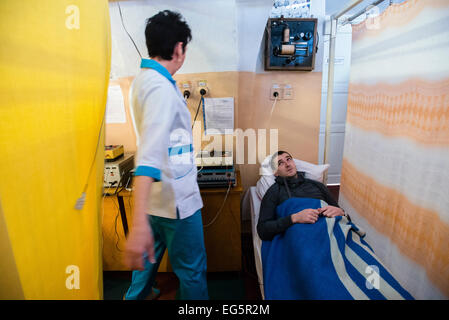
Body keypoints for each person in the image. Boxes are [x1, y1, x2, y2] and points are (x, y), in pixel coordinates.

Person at [123, 10, 208, 300]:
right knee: (192, 270)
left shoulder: (143, 80)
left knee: (145, 266)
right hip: (177, 202)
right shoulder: (160, 88)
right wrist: (136, 225)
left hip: (156, 202)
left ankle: (137, 296)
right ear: (178, 48)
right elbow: (148, 156)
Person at [257, 150, 348, 241]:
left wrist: (341, 212)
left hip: (329, 231)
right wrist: (294, 218)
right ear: (275, 172)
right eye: (280, 163)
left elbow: (343, 215)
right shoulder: (273, 192)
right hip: (300, 237)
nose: (287, 164)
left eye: (288, 159)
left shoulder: (317, 185)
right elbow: (263, 230)